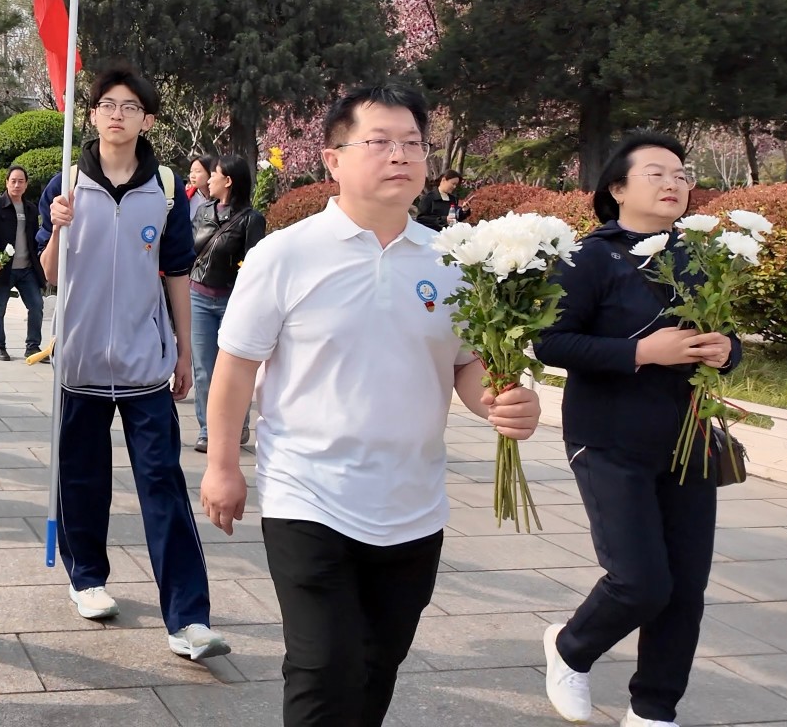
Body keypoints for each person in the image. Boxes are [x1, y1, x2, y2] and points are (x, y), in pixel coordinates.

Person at [199, 83, 542, 727]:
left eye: (413, 143)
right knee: (324, 666)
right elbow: (237, 366)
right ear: (332, 159)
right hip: (309, 492)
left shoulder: (453, 262)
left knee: (376, 667)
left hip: (413, 503)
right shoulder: (284, 255)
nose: (400, 156)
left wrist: (499, 401)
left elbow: (467, 364)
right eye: (379, 142)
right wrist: (223, 464)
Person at [533, 133, 737, 727]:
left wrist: (728, 349)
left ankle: (654, 709)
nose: (674, 183)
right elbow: (552, 342)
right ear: (616, 189)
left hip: (688, 439)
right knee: (641, 581)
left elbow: (720, 335)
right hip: (609, 437)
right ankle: (570, 648)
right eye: (656, 173)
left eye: (681, 173)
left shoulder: (702, 255)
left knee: (685, 588)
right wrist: (640, 351)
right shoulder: (589, 257)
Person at [38, 65, 229, 663]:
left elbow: (175, 271)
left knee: (162, 484)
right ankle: (87, 578)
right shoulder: (66, 183)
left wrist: (182, 350)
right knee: (83, 479)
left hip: (146, 363)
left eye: (130, 106)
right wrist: (53, 231)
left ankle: (188, 619)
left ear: (147, 119)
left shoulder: (166, 188)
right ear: (92, 115)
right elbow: (48, 275)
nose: (116, 113)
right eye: (106, 104)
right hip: (81, 361)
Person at [188, 153, 267, 453]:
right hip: (198, 297)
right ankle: (208, 430)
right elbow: (189, 251)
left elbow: (253, 265)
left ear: (229, 180)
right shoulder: (203, 212)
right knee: (204, 369)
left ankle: (236, 425)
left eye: (215, 174)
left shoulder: (251, 219)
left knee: (233, 368)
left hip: (233, 301)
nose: (208, 179)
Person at [0, 165, 46, 362]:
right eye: (13, 181)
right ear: (7, 183)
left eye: (21, 181)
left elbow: (35, 237)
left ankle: (33, 347)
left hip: (27, 268)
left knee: (36, 305)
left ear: (26, 185)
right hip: (3, 267)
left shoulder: (31, 208)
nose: (17, 185)